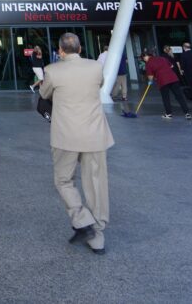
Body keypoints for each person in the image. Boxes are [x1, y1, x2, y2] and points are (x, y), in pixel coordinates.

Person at [39, 33, 114, 256]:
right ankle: (98, 236)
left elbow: (44, 93)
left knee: (63, 180)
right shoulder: (95, 68)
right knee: (97, 183)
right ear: (80, 48)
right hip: (94, 133)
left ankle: (82, 219)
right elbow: (98, 86)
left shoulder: (52, 70)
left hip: (66, 136)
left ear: (60, 51)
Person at [142, 48, 191, 120]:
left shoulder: (148, 63)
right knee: (179, 96)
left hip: (163, 81)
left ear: (146, 56)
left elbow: (150, 77)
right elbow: (171, 66)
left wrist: (151, 80)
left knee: (166, 98)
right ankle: (187, 113)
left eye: (143, 58)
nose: (144, 59)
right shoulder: (162, 58)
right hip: (173, 78)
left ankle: (169, 114)